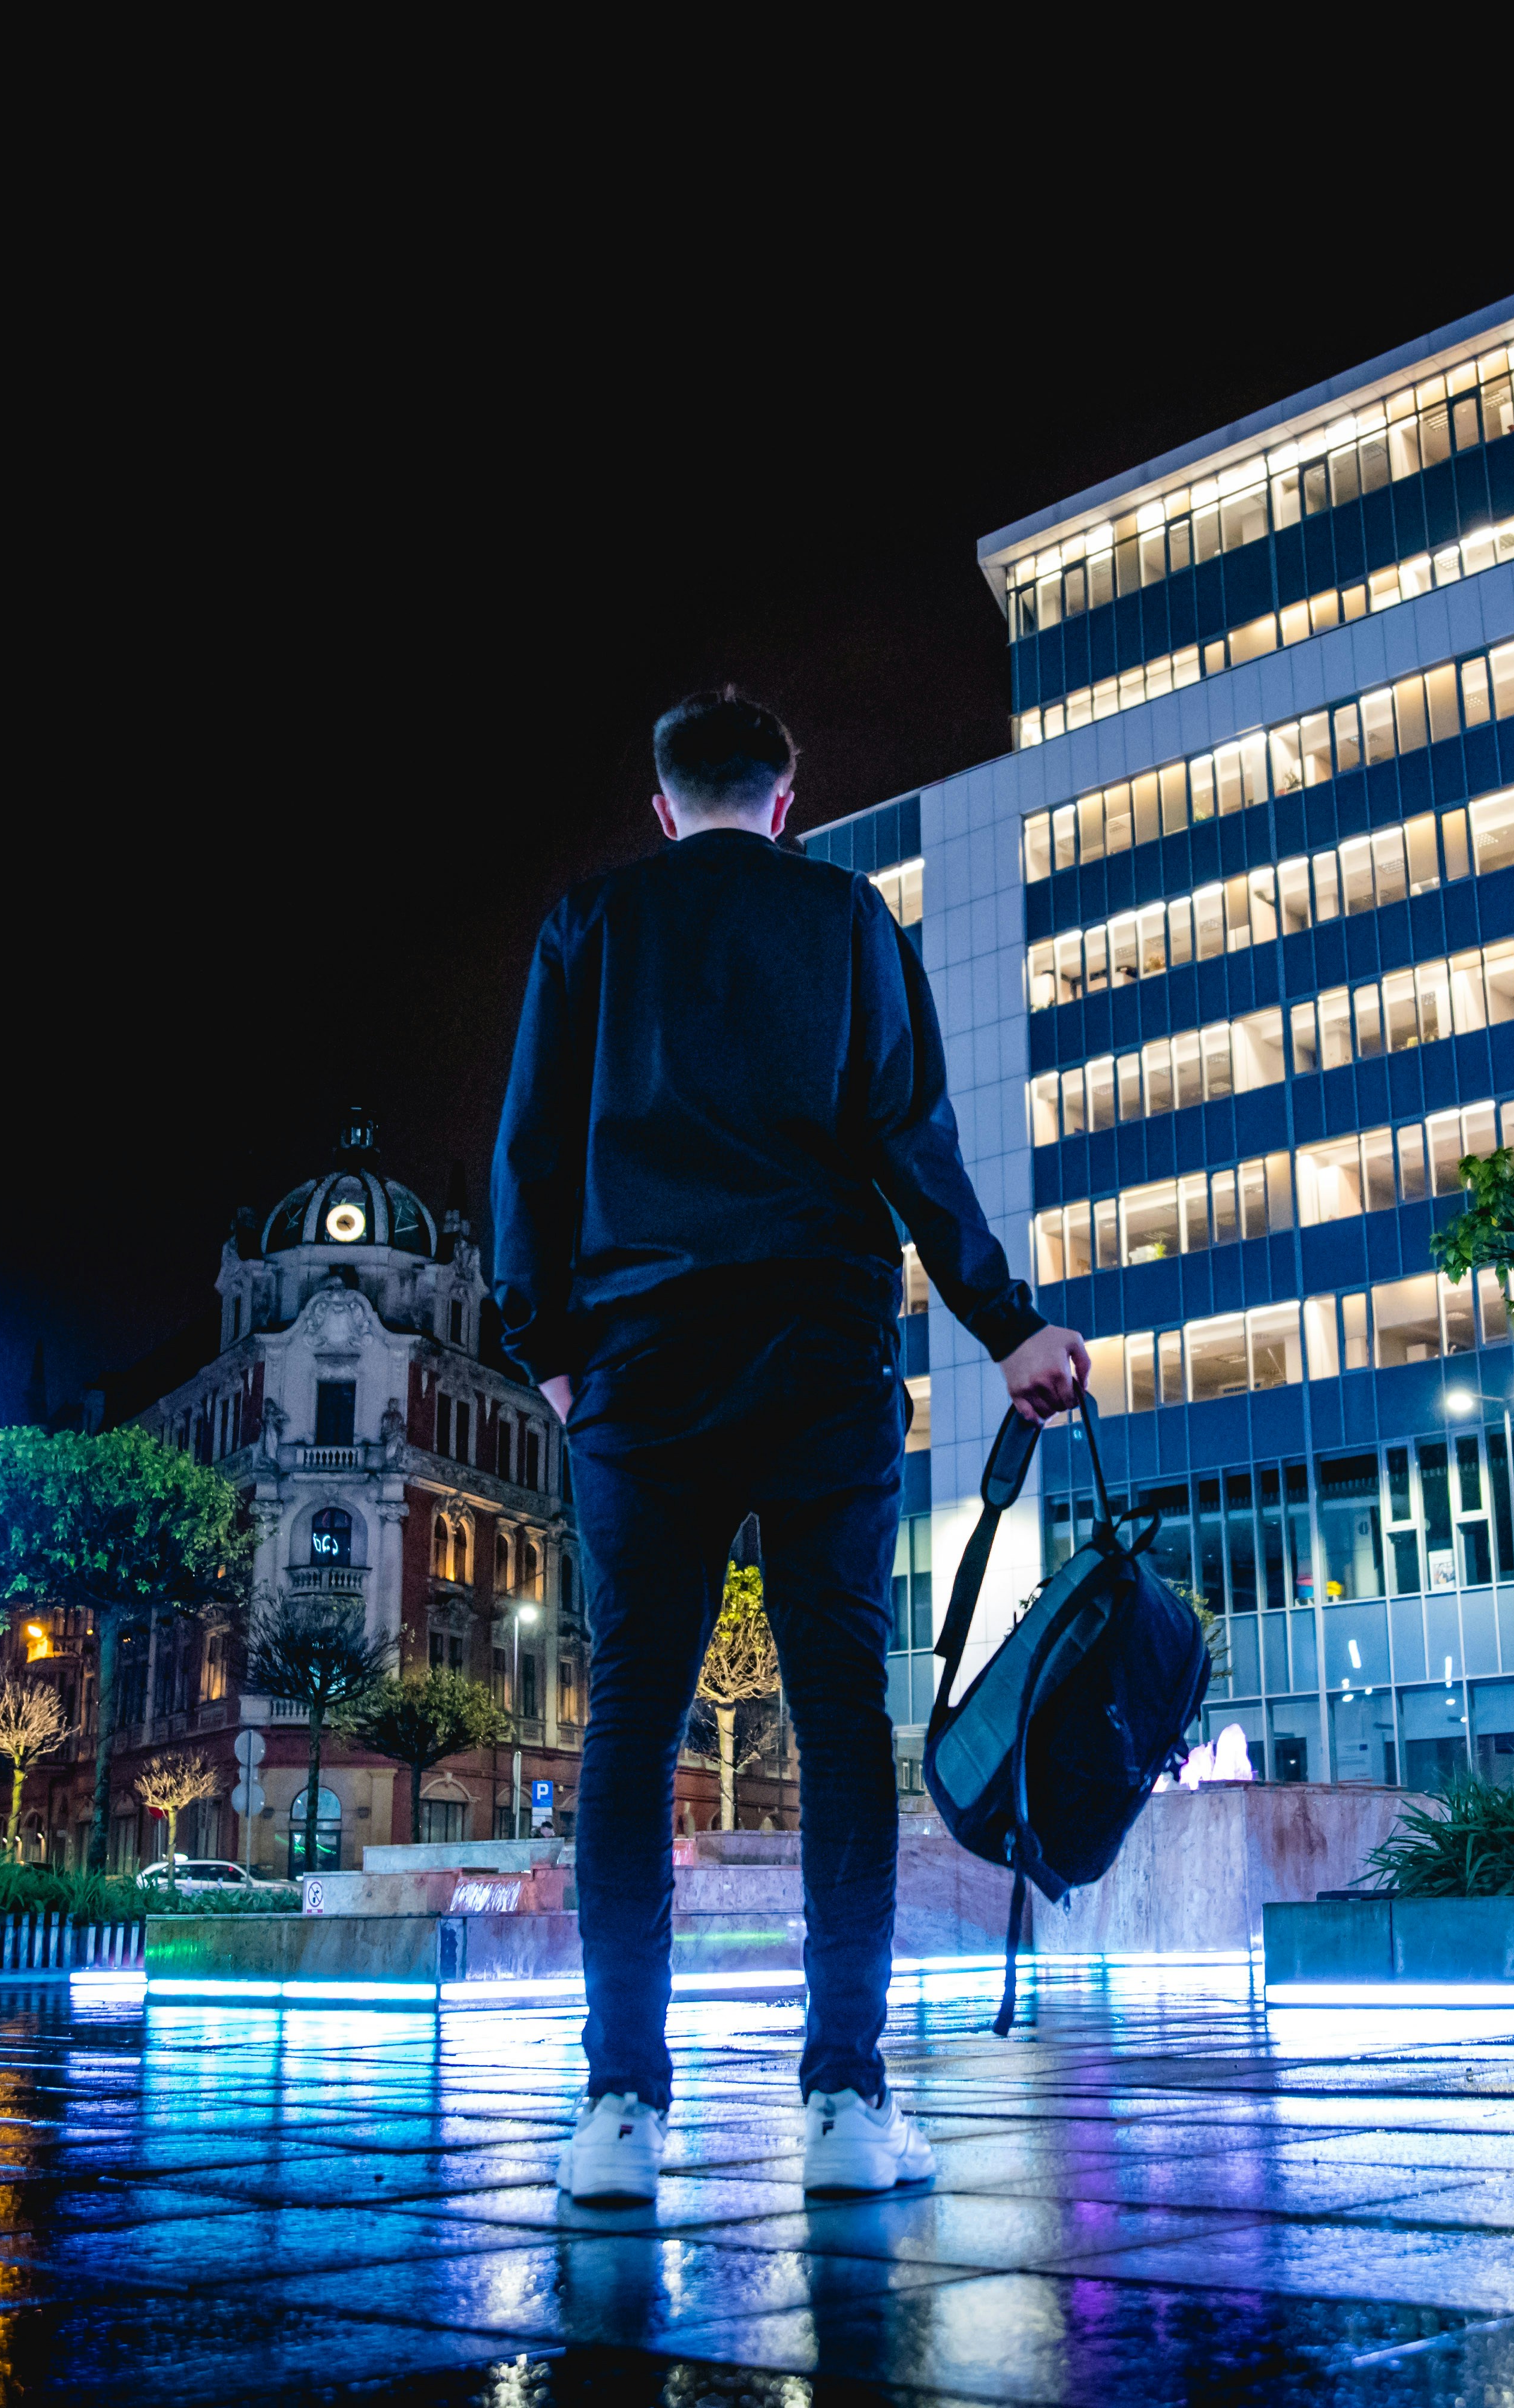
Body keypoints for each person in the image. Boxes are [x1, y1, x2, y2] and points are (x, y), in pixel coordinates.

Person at [492, 688, 1089, 2207]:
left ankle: (620, 2112)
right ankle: (841, 2102)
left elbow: (531, 1154)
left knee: (627, 1717)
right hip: (822, 1355)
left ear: (659, 801)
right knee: (835, 1713)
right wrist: (1006, 1324)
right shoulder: (847, 918)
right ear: (784, 796)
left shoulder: (589, 924)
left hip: (639, 1361)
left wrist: (548, 1353)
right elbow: (912, 1139)